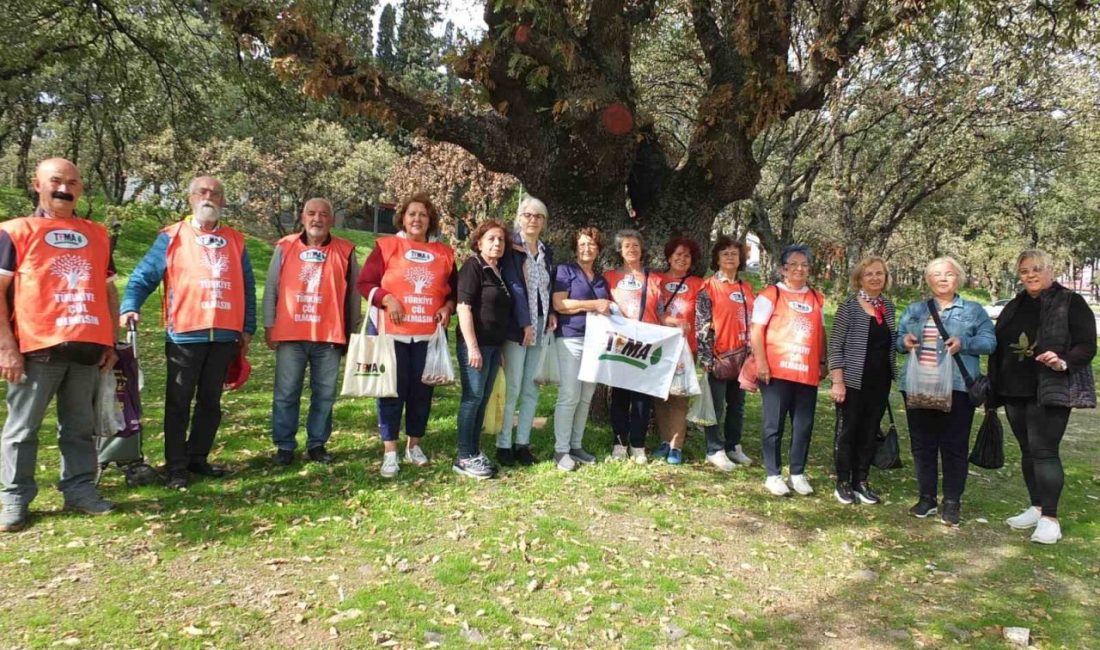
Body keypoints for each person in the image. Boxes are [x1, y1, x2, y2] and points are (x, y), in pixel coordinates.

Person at [0, 158, 118, 532]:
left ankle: (79, 489)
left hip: (87, 349)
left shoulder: (97, 234)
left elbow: (109, 289)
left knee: (80, 427)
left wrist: (111, 340)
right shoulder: (15, 231)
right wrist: (6, 347)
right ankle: (14, 498)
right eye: (55, 181)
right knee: (22, 430)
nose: (64, 188)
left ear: (80, 188)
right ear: (38, 184)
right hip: (36, 350)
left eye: (72, 182)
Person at [120, 176, 256, 490]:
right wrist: (130, 304)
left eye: (215, 193)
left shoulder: (236, 240)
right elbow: (143, 276)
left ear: (223, 201)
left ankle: (198, 457)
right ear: (191, 198)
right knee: (178, 404)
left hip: (224, 336)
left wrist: (248, 327)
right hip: (185, 334)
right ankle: (176, 466)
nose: (209, 197)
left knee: (210, 402)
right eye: (202, 192)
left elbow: (248, 287)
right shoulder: (172, 236)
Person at [989, 249, 1095, 544]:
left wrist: (1063, 361)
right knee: (1027, 449)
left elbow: (1087, 344)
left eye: (1037, 269)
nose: (1031, 275)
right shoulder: (1015, 304)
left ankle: (1050, 518)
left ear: (1050, 270)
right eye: (1025, 271)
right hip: (1013, 388)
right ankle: (1036, 507)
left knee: (1044, 450)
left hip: (1049, 388)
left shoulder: (1070, 301)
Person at [356, 193, 456, 478]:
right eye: (412, 214)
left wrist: (448, 308)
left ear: (430, 220)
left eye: (423, 214)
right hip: (391, 335)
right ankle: (390, 451)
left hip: (427, 337)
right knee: (390, 392)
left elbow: (454, 291)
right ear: (402, 217)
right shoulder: (386, 246)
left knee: (421, 393)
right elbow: (365, 283)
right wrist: (387, 299)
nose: (417, 219)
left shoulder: (444, 253)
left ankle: (414, 446)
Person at [897, 256, 995, 526]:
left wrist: (965, 342)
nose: (942, 278)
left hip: (957, 388)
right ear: (928, 279)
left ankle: (952, 501)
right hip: (918, 386)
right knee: (922, 445)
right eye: (936, 274)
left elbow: (990, 342)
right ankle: (927, 498)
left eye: (949, 274)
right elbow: (897, 340)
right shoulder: (915, 310)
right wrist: (904, 341)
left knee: (954, 446)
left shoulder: (973, 310)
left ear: (958, 278)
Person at [264, 198, 360, 466]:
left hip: (329, 336)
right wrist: (269, 325)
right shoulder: (285, 247)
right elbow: (271, 288)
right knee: (286, 393)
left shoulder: (346, 250)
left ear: (332, 219)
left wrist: (352, 333)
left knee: (325, 394)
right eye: (312, 213)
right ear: (303, 217)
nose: (317, 219)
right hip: (290, 334)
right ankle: (284, 446)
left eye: (324, 214)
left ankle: (317, 444)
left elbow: (354, 295)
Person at [751, 244, 827, 497]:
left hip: (806, 372)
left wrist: (823, 361)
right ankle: (773, 474)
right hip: (776, 371)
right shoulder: (770, 294)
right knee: (774, 425)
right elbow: (756, 331)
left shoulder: (816, 297)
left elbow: (821, 332)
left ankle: (797, 473)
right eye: (793, 264)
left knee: (803, 425)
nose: (799, 269)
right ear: (783, 269)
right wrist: (761, 363)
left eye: (804, 265)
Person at [828, 257, 897, 505]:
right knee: (848, 431)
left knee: (870, 431)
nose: (875, 278)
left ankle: (861, 480)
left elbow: (890, 342)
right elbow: (835, 346)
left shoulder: (888, 307)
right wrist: (837, 381)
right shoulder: (849, 307)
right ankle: (843, 481)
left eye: (879, 273)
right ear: (859, 278)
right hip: (852, 381)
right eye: (869, 274)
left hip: (880, 381)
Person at [498, 197, 555, 467]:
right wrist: (524, 323)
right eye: (528, 215)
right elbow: (514, 286)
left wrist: (551, 312)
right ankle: (503, 443)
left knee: (531, 387)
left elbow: (547, 287)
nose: (533, 220)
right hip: (517, 327)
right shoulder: (510, 248)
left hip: (541, 324)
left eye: (538, 216)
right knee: (512, 387)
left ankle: (522, 443)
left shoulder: (546, 251)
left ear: (544, 222)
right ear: (519, 217)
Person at [454, 220, 513, 479]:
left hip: (493, 347)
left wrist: (498, 350)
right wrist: (472, 347)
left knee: (482, 400)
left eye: (501, 239)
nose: (497, 243)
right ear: (479, 243)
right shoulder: (473, 266)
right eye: (491, 239)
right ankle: (463, 456)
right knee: (472, 398)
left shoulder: (498, 272)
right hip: (475, 346)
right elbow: (463, 308)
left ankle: (474, 451)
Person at [550, 228, 612, 471]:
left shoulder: (600, 279)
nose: (587, 248)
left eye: (592, 244)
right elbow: (560, 304)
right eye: (582, 244)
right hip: (570, 338)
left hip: (595, 342)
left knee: (586, 396)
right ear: (575, 248)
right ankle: (561, 450)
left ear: (598, 249)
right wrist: (593, 304)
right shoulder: (565, 271)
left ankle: (576, 446)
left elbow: (607, 307)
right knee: (569, 394)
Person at [696, 236, 756, 471]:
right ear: (717, 259)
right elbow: (702, 323)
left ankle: (733, 446)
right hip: (719, 355)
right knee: (716, 406)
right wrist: (706, 357)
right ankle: (714, 449)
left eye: (734, 253)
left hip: (743, 357)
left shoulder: (746, 287)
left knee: (737, 405)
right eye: (725, 253)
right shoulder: (709, 287)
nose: (730, 257)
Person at [604, 229, 662, 464]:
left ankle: (638, 445)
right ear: (620, 250)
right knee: (619, 395)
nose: (632, 249)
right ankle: (619, 442)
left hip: (646, 344)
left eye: (635, 245)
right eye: (627, 245)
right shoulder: (609, 277)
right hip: (619, 343)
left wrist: (675, 325)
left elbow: (661, 312)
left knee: (642, 397)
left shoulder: (654, 279)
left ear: (642, 249)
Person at [653, 237, 704, 466]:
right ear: (669, 257)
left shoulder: (698, 284)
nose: (682, 259)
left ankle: (676, 446)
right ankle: (664, 441)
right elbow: (652, 310)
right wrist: (671, 320)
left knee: (680, 397)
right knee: (660, 396)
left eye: (687, 256)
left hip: (686, 348)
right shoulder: (656, 280)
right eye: (678, 254)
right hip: (659, 347)